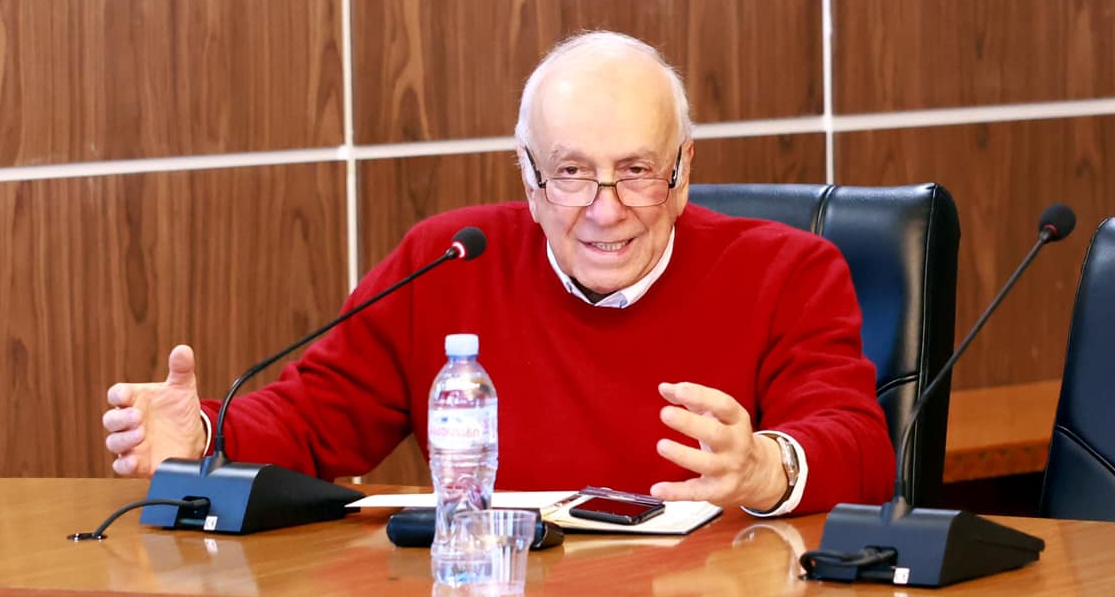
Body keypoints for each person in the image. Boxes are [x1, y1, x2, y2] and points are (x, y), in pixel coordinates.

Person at [102, 31, 895, 514]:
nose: (605, 210)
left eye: (638, 171)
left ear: (684, 170)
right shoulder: (448, 261)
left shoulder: (787, 270)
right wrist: (203, 435)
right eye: (571, 172)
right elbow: (313, 420)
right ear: (528, 174)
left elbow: (861, 449)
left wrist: (763, 469)